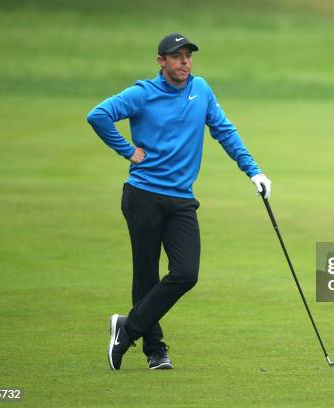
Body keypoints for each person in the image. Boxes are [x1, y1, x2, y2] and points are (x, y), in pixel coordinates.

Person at [86, 33, 271, 370]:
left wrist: (253, 171)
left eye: (188, 56)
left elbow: (224, 131)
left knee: (186, 273)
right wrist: (128, 150)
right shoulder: (143, 93)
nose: (185, 62)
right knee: (146, 276)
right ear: (161, 61)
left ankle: (125, 329)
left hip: (181, 199)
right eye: (177, 56)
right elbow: (98, 115)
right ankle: (155, 351)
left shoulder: (202, 90)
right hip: (143, 195)